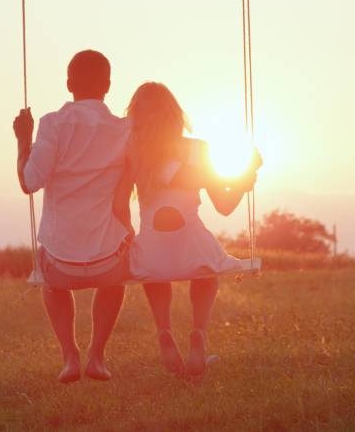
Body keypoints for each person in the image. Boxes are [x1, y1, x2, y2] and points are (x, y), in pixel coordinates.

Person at [112, 82, 261, 379]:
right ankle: (198, 335)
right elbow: (225, 205)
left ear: (136, 116)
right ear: (175, 114)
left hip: (153, 253)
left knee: (152, 267)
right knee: (206, 269)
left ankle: (164, 332)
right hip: (194, 247)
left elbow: (118, 204)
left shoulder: (135, 152)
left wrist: (130, 236)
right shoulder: (198, 149)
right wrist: (248, 176)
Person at [13, 50, 131, 383]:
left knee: (50, 283)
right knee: (115, 281)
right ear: (108, 86)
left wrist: (23, 139)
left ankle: (70, 355)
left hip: (60, 264)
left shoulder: (52, 124)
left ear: (68, 84)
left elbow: (29, 182)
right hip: (110, 262)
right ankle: (97, 355)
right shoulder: (125, 129)